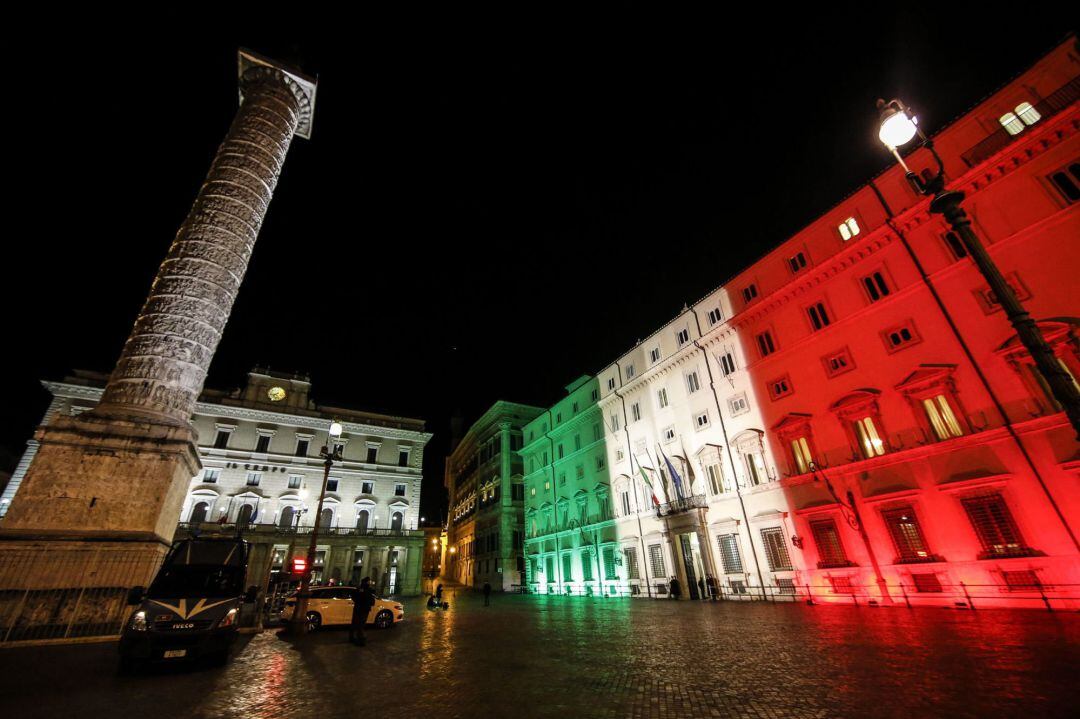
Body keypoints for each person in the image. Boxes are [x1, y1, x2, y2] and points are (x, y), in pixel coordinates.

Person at [348, 578, 376, 646]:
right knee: (361, 624)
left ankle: (352, 637)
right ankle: (361, 640)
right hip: (364, 609)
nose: (370, 582)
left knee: (355, 623)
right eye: (369, 581)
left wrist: (357, 601)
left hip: (358, 608)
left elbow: (353, 596)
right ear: (366, 582)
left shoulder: (359, 589)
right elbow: (371, 600)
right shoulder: (367, 590)